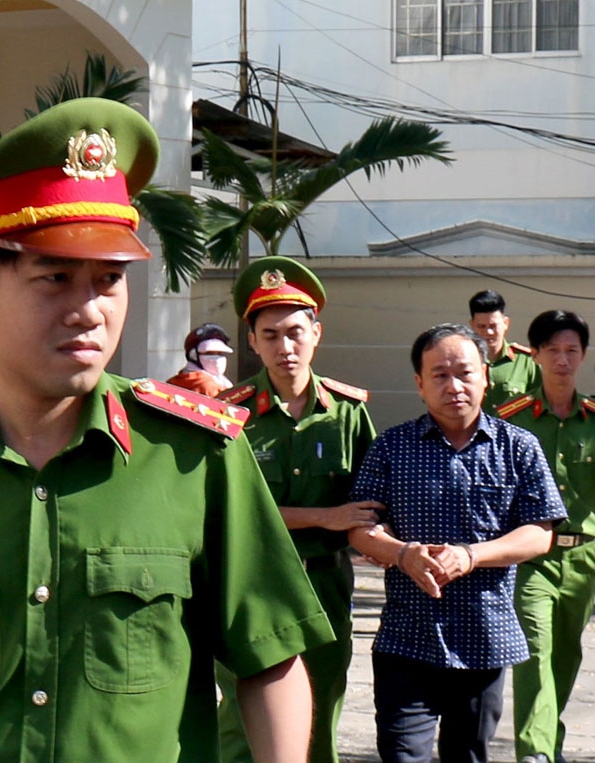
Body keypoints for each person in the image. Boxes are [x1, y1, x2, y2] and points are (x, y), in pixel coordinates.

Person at [0, 99, 335, 763]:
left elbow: (270, 659)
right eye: (54, 278)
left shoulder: (196, 457)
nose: (88, 311)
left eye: (108, 280)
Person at [348, 323, 567, 763]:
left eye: (465, 373)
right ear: (419, 384)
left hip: (484, 639)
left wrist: (471, 555)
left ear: (485, 376)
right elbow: (359, 527)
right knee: (401, 754)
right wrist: (403, 554)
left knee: (467, 755)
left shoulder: (519, 447)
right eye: (440, 375)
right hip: (406, 638)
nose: (454, 386)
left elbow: (540, 533)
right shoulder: (391, 447)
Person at [215, 256, 380, 763]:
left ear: (316, 334)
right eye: (270, 335)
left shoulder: (348, 413)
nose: (284, 348)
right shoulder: (230, 415)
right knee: (244, 721)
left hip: (324, 584)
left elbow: (370, 504)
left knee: (321, 712)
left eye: (294, 332)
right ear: (252, 341)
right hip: (253, 584)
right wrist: (324, 517)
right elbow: (230, 510)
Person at [497, 310, 595, 763]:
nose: (562, 360)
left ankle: (547, 744)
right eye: (552, 350)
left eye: (571, 351)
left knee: (565, 657)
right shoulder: (512, 419)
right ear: (534, 355)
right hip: (529, 557)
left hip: (581, 559)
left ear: (583, 356)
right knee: (534, 651)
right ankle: (534, 753)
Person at [468, 290, 540, 416]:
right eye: (482, 326)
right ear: (472, 325)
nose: (489, 332)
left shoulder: (527, 362)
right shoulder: (464, 362)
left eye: (493, 326)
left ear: (506, 323)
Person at [166, 322, 235, 396]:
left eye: (220, 353)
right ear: (194, 355)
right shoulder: (210, 387)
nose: (217, 359)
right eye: (209, 353)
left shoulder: (173, 382)